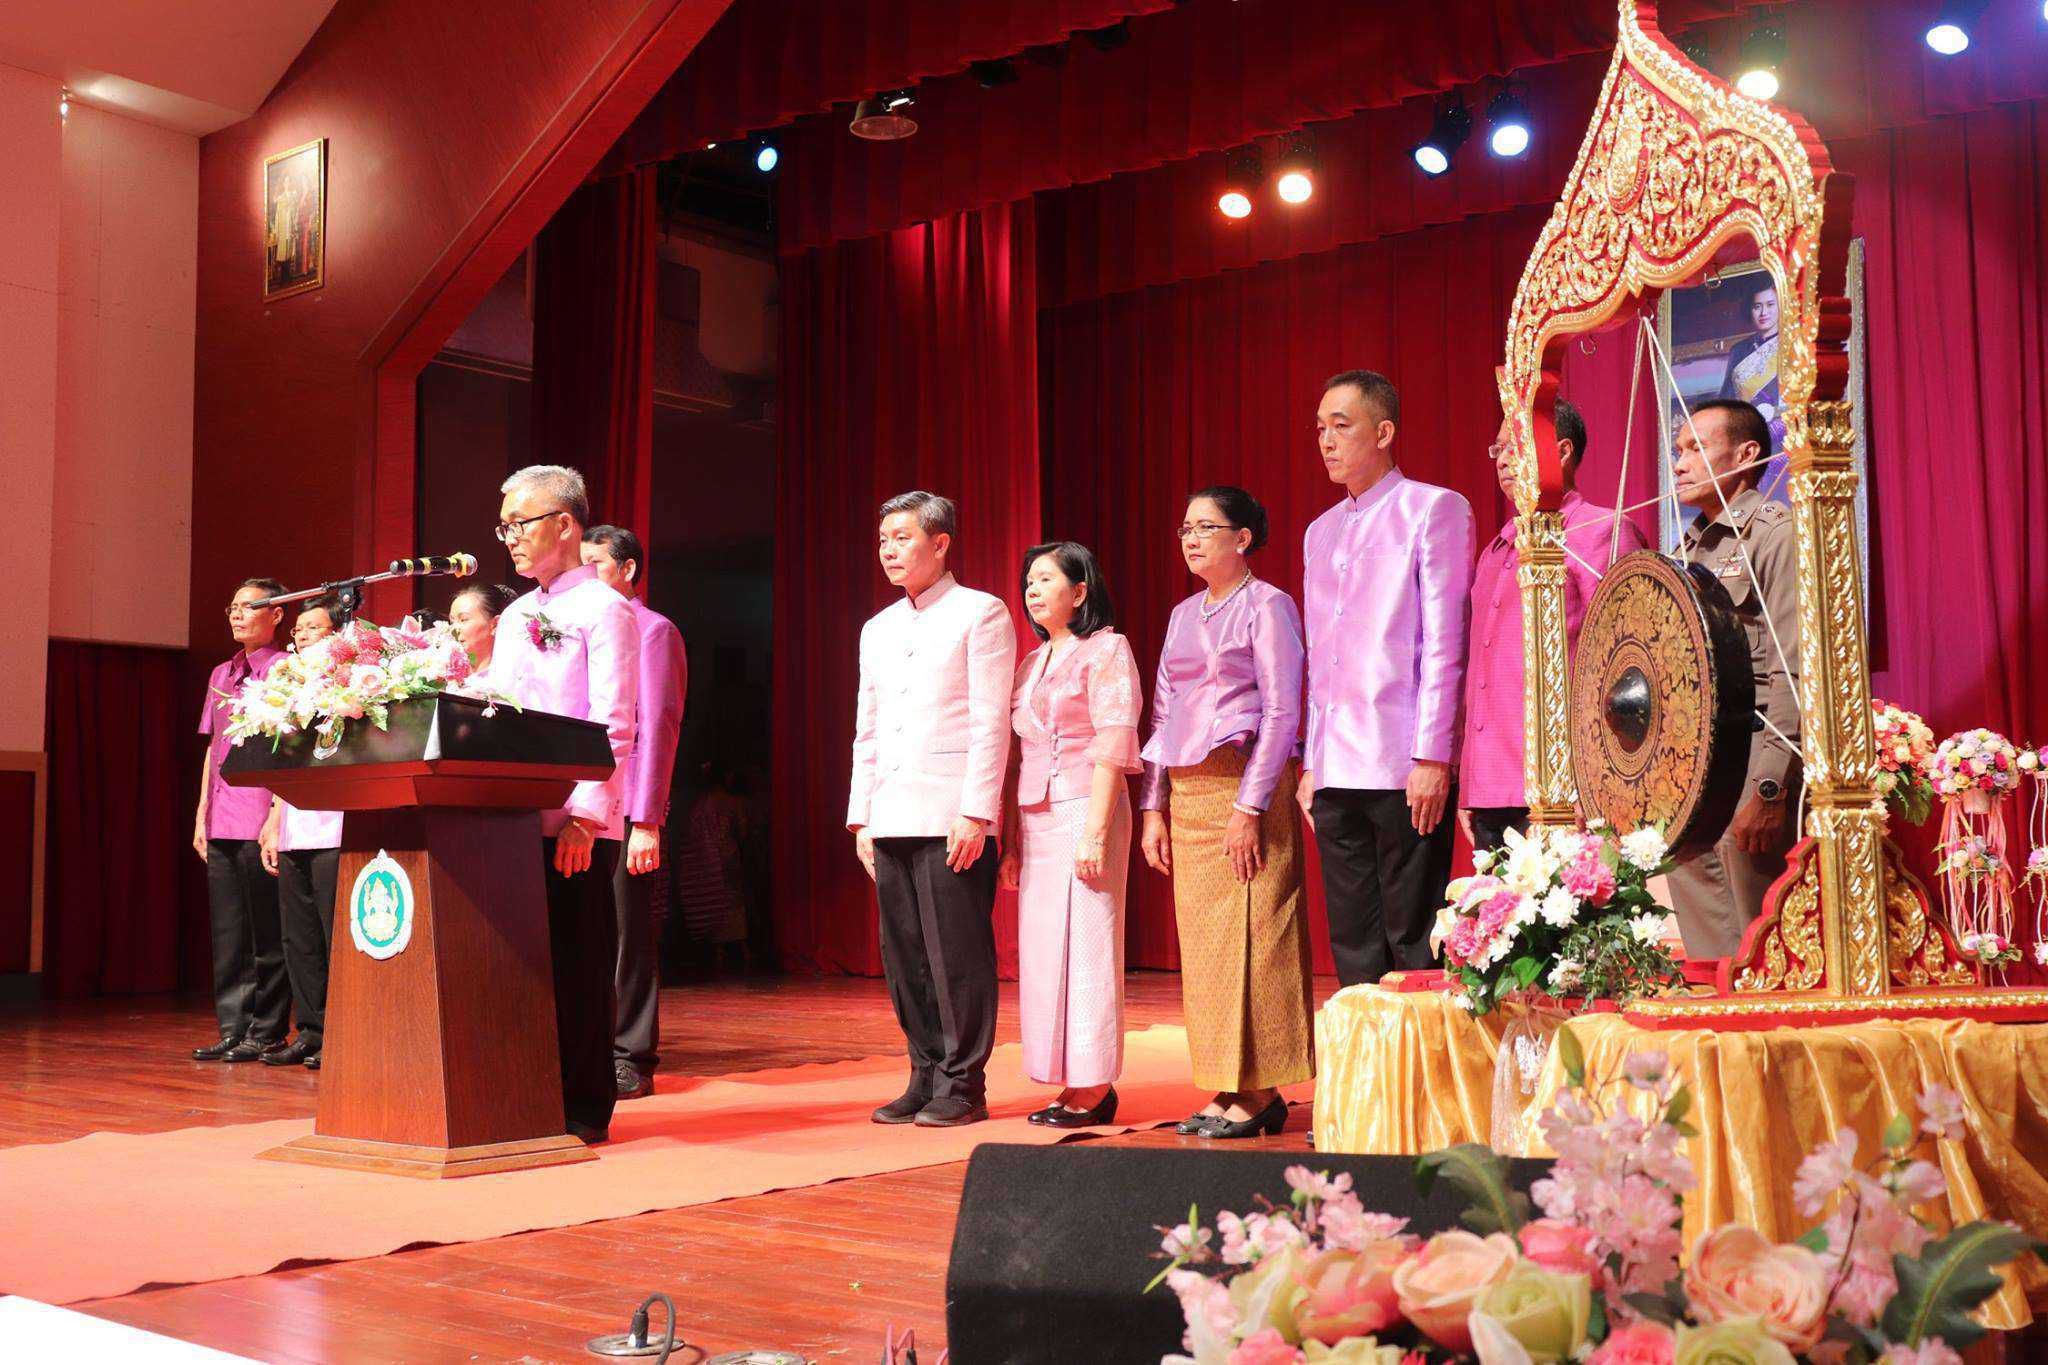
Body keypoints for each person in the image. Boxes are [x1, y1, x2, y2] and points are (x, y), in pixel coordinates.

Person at [1139, 486, 1314, 1140]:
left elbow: (1283, 710)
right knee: (1209, 947)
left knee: (1258, 936)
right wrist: (1153, 805)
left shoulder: (1269, 605)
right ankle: (1228, 1080)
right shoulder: (1183, 614)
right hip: (1190, 793)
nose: (1191, 539)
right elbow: (1163, 711)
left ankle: (1263, 1089)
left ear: (1242, 538)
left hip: (1246, 786)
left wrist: (1250, 804)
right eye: (1185, 528)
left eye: (1205, 527)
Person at [1299, 370, 1475, 987]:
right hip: (1335, 766)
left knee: (1413, 939)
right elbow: (1321, 658)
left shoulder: (1433, 508)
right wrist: (1313, 762)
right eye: (1320, 428)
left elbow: (1446, 643)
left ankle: (1420, 1053)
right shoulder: (1319, 531)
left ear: (1383, 432)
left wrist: (1433, 755)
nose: (1326, 440)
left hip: (1403, 762)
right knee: (1352, 941)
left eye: (1341, 426)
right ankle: (1367, 1054)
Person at [849, 491, 1015, 1128]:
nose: (888, 550)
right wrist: (862, 816)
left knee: (956, 955)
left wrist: (977, 812)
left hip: (951, 812)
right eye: (882, 540)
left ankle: (964, 1083)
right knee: (904, 956)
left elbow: (990, 721)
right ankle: (923, 1074)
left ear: (940, 543)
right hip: (890, 810)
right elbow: (867, 728)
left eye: (902, 537)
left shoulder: (981, 612)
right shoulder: (878, 627)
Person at [490, 465, 638, 1143]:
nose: (510, 538)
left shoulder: (605, 608)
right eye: (504, 527)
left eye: (519, 524)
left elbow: (613, 721)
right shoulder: (519, 613)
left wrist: (585, 815)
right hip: (511, 817)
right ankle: (526, 1095)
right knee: (521, 966)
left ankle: (583, 1105)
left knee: (578, 966)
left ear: (564, 524)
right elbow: (497, 711)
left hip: (574, 820)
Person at [1459, 400, 1650, 854]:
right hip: (1492, 786)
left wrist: (1598, 779)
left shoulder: (1602, 530)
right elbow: (1480, 674)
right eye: (1499, 449)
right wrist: (1470, 784)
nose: (1503, 460)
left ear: (1562, 452)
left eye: (1516, 446)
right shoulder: (1497, 548)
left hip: (1568, 786)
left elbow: (1625, 663)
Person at [997, 541, 1142, 1128]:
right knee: (1043, 949)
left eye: (1045, 579)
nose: (1032, 590)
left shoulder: (1107, 649)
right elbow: (1016, 759)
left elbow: (1113, 742)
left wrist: (1096, 833)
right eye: (1028, 581)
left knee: (1088, 945)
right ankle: (1065, 1076)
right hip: (1037, 817)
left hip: (1087, 805)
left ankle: (1095, 1082)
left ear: (1079, 592)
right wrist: (1010, 843)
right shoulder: (1029, 664)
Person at [1668, 398, 1802, 958]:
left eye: (1696, 449)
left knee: (1760, 946)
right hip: (1695, 769)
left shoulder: (1776, 533)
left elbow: (1795, 669)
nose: (1679, 464)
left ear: (1746, 455)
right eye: (1677, 451)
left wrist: (1770, 787)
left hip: (1753, 759)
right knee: (1708, 951)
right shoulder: (1686, 548)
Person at [580, 525, 688, 1102]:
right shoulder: (579, 627)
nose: (586, 574)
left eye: (595, 563)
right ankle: (588, 1047)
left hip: (626, 807)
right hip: (579, 803)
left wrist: (646, 820)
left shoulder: (653, 630)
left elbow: (658, 727)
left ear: (627, 570)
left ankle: (631, 1056)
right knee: (587, 930)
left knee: (628, 934)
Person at [191, 579, 289, 1062]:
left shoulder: (284, 668)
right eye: (233, 607)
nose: (237, 614)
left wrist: (276, 814)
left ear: (277, 614)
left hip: (258, 814)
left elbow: (288, 746)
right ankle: (233, 1027)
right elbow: (214, 747)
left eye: (249, 607)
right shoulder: (221, 672)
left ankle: (267, 1029)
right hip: (221, 816)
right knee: (228, 931)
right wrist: (200, 815)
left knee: (266, 930)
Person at [257, 596, 344, 1070]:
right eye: (300, 629)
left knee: (334, 936)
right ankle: (311, 1030)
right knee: (299, 938)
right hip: (294, 826)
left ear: (338, 635)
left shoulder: (352, 684)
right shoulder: (287, 687)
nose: (304, 635)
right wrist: (273, 821)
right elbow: (284, 766)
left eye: (315, 627)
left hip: (335, 827)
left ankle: (343, 1034)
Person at [1717, 275, 1787, 499]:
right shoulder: (1740, 350)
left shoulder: (1793, 343)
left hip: (1784, 440)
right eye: (1757, 306)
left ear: (1781, 306)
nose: (1764, 312)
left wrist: (1776, 415)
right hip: (1747, 439)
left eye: (1770, 305)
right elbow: (1727, 400)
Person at [449, 582, 517, 689]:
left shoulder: (509, 681)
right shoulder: (445, 672)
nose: (454, 629)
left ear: (495, 624)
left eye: (463, 619)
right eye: (452, 621)